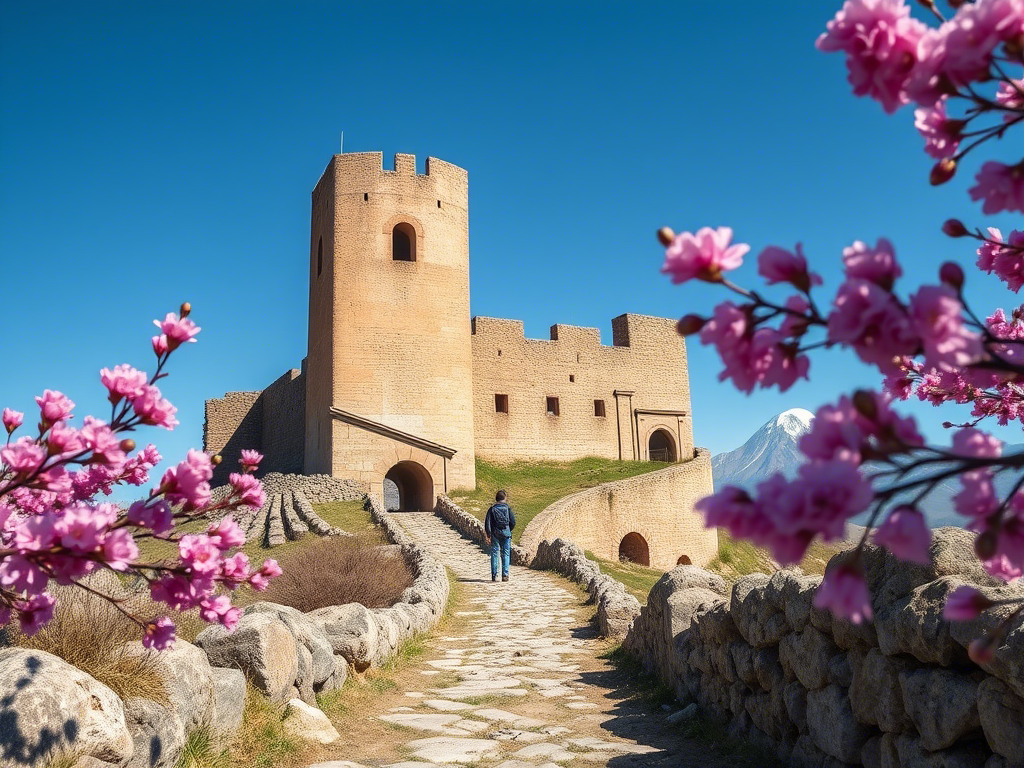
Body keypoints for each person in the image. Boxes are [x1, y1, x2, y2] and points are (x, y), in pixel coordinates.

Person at [484, 489, 516, 582]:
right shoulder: (507, 508)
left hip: (495, 534)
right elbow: (513, 522)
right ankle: (505, 575)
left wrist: (488, 534)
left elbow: (487, 523)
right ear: (505, 498)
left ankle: (494, 575)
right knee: (506, 553)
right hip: (506, 533)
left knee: (495, 554)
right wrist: (508, 530)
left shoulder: (492, 508)